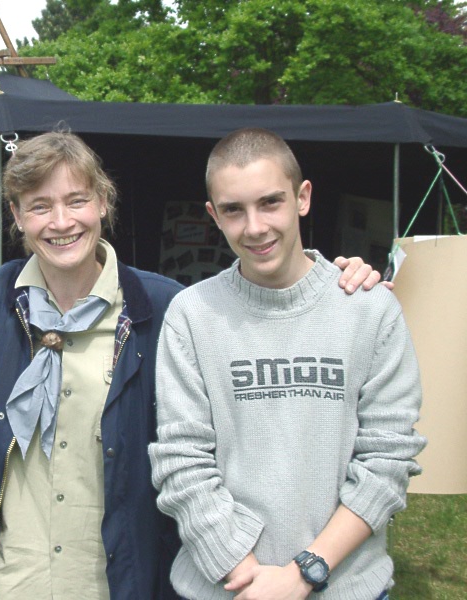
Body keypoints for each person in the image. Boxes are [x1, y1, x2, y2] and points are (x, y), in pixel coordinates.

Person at [0, 131, 382, 600]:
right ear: (16, 217)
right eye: (38, 206)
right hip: (10, 579)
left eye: (76, 200)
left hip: (121, 578)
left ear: (103, 203)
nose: (60, 222)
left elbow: (260, 316)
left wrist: (336, 278)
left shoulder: (167, 308)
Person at [149, 127, 426, 600]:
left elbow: (387, 459)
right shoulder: (192, 315)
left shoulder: (368, 309)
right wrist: (246, 575)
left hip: (346, 585)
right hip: (228, 587)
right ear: (214, 215)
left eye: (270, 202)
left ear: (302, 197)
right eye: (234, 210)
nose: (255, 227)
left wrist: (304, 573)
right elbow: (182, 460)